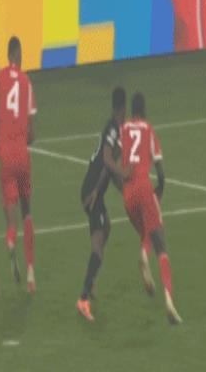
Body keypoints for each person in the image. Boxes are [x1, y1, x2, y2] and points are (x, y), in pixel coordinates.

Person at [120, 92, 182, 324]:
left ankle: (144, 255)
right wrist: (160, 191)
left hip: (128, 194)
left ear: (131, 110)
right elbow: (161, 171)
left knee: (146, 230)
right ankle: (169, 301)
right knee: (161, 244)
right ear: (144, 109)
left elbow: (119, 161)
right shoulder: (148, 129)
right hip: (145, 188)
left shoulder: (123, 129)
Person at [76, 87, 130, 321]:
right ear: (123, 108)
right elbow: (108, 161)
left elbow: (110, 172)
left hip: (94, 191)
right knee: (98, 248)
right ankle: (83, 299)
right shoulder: (113, 129)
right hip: (92, 193)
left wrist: (125, 190)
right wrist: (99, 189)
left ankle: (92, 278)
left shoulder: (115, 130)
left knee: (106, 227)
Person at [0, 37, 37, 293]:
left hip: (5, 156)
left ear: (8, 55)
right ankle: (30, 273)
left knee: (10, 207)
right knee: (27, 210)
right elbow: (32, 133)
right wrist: (22, 136)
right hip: (22, 155)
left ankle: (10, 236)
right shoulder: (27, 81)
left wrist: (1, 137)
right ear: (17, 53)